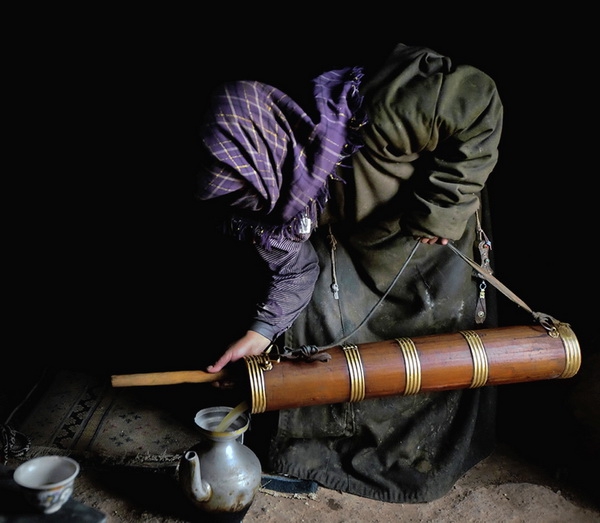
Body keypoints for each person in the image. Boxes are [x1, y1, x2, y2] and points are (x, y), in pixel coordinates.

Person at [194, 42, 503, 503]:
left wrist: (442, 211)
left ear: (261, 141)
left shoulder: (373, 109)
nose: (259, 200)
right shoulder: (267, 201)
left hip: (431, 240)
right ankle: (327, 451)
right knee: (311, 325)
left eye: (254, 184)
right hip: (352, 253)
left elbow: (479, 101)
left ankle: (420, 455)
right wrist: (258, 334)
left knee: (435, 340)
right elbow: (295, 273)